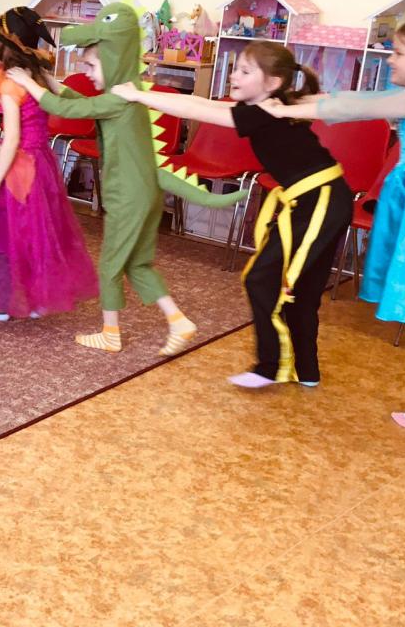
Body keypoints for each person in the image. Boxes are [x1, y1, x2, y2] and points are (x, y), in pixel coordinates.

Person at [262, 15, 405, 433]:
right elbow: (361, 99)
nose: (390, 60)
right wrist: (301, 101)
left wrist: (286, 108)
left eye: (398, 53)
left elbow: (357, 106)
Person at [7, 2, 243, 354]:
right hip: (143, 193)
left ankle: (110, 333)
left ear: (113, 57)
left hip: (129, 196)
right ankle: (179, 321)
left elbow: (67, 109)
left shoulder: (119, 97)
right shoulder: (122, 93)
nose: (87, 73)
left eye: (91, 65)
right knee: (137, 264)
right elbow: (82, 103)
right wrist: (51, 82)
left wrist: (28, 82)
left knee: (110, 266)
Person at [114, 41, 353, 386]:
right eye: (235, 68)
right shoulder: (268, 106)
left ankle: (269, 367)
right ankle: (306, 371)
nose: (234, 76)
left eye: (244, 71)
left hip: (321, 200)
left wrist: (138, 95)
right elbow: (204, 103)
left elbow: (194, 107)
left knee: (261, 278)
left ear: (272, 82)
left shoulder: (264, 111)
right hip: (319, 199)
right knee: (301, 288)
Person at [0, 8, 97, 321]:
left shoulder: (11, 84)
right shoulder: (30, 74)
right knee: (33, 233)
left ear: (7, 45)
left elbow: (11, 139)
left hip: (17, 168)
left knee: (0, 234)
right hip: (41, 164)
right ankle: (36, 300)